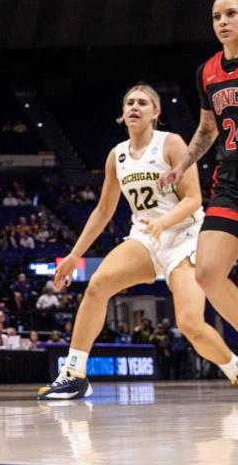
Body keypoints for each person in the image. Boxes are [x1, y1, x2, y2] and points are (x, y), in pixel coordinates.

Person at [39, 84, 238, 400]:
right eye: (129, 102)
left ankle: (234, 369)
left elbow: (194, 199)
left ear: (156, 112)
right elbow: (104, 210)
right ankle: (74, 373)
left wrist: (163, 222)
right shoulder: (116, 155)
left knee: (190, 324)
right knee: (97, 285)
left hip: (185, 237)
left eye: (143, 102)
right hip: (146, 238)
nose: (134, 106)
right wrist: (74, 255)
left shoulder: (170, 143)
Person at [158, 0, 238, 368]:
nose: (222, 22)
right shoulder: (207, 71)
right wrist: (182, 165)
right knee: (207, 272)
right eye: (216, 16)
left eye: (231, 14)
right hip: (229, 183)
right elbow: (208, 130)